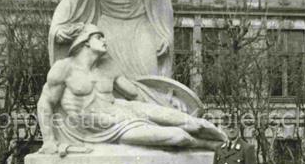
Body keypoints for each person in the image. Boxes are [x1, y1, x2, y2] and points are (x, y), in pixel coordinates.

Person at [37, 24, 226, 153]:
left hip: (123, 109)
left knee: (196, 123)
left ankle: (227, 144)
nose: (104, 41)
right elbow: (46, 102)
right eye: (99, 37)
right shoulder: (64, 68)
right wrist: (49, 141)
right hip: (107, 127)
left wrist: (167, 101)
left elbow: (136, 93)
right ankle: (210, 146)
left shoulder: (108, 67)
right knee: (179, 136)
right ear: (85, 41)